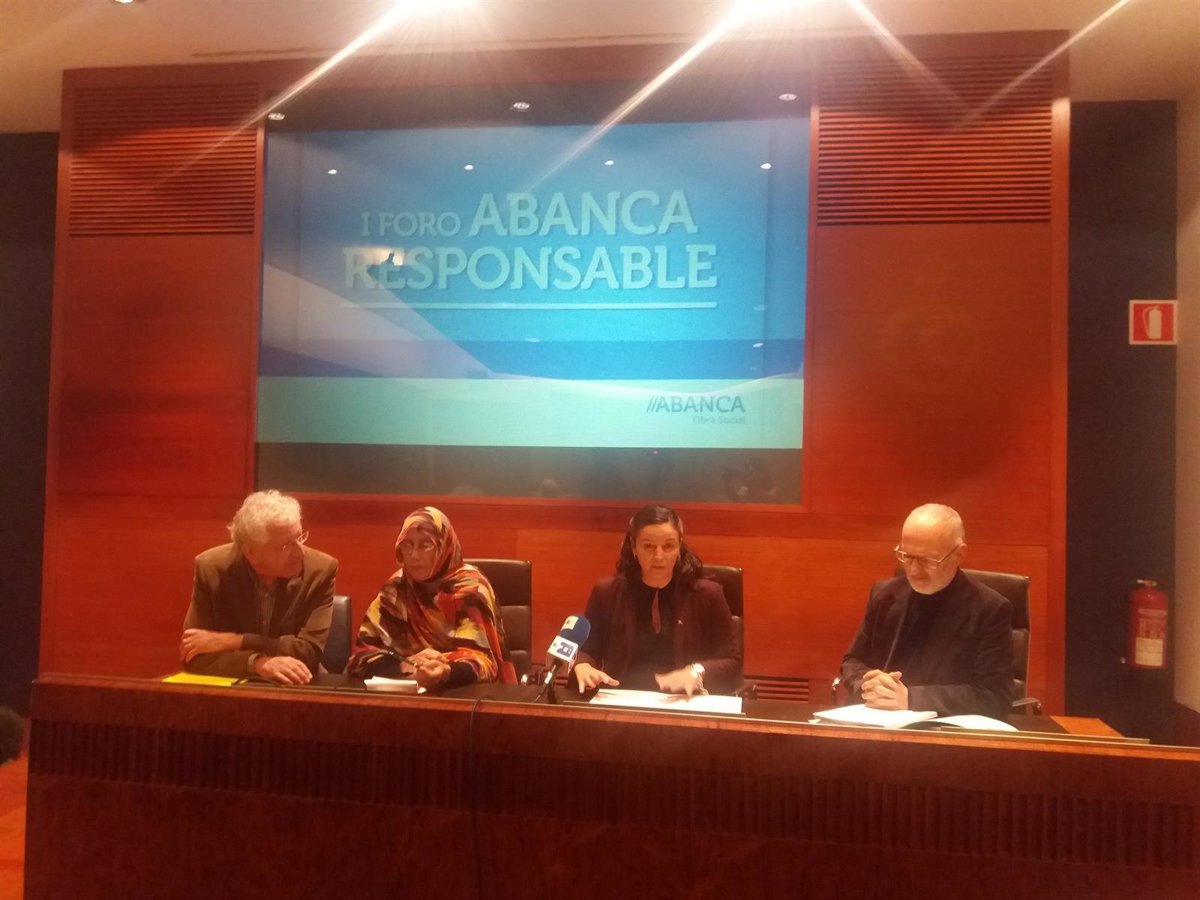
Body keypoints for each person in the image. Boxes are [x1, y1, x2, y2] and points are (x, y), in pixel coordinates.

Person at [839, 503, 1013, 720]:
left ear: (960, 554)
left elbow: (994, 697)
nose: (913, 570)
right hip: (879, 723)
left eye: (926, 560)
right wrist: (867, 683)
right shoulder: (884, 595)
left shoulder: (990, 610)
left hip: (944, 732)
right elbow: (853, 660)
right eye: (907, 556)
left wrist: (911, 698)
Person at [573, 504, 741, 696]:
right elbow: (587, 650)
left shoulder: (708, 594)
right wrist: (582, 665)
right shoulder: (607, 592)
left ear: (680, 546)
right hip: (620, 699)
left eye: (668, 546)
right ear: (634, 547)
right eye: (648, 546)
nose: (659, 556)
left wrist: (697, 671)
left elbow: (732, 662)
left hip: (684, 699)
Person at [181, 490, 338, 685]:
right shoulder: (212, 569)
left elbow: (308, 653)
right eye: (286, 546)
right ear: (251, 553)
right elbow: (193, 655)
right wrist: (257, 664)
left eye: (300, 537)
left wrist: (235, 641)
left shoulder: (320, 570)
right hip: (233, 688)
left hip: (298, 685)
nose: (300, 552)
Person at [347, 506, 515, 688]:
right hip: (406, 695)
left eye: (425, 545)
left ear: (443, 546)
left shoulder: (472, 589)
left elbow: (485, 664)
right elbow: (360, 658)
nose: (414, 555)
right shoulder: (395, 589)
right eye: (407, 545)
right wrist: (405, 665)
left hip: (465, 695)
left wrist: (445, 670)